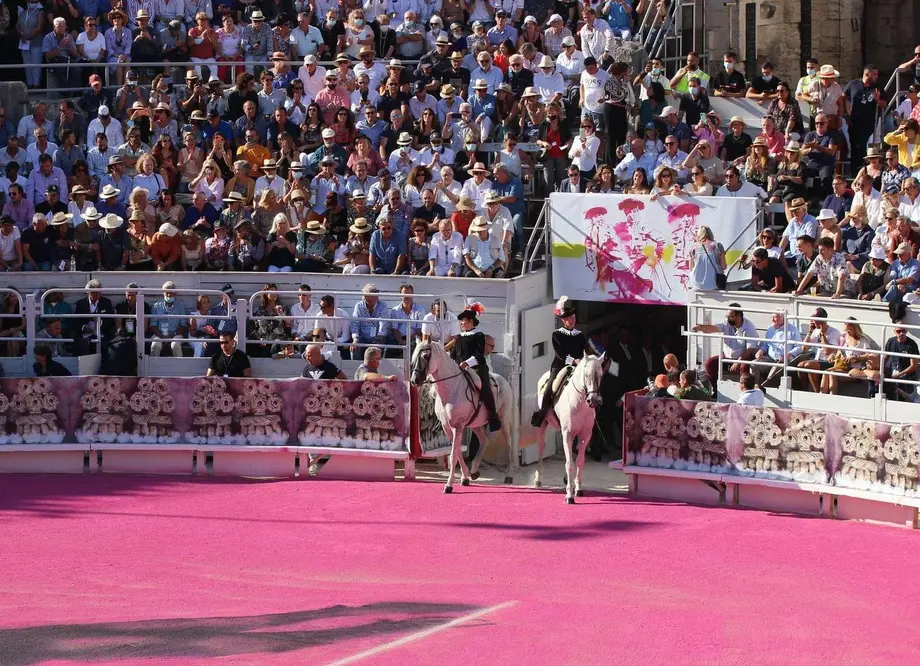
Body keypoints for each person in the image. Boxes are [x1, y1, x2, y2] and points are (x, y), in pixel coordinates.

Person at [530, 296, 592, 427]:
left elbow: (585, 350)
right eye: (569, 318)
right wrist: (574, 361)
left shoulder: (580, 335)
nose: (572, 320)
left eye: (573, 317)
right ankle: (542, 412)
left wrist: (585, 360)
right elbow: (560, 354)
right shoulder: (557, 334)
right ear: (563, 320)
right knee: (551, 385)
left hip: (579, 365)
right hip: (560, 365)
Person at [450, 302, 500, 432]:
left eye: (463, 321)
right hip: (460, 369)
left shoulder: (479, 335)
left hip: (477, 368)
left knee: (484, 387)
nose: (461, 323)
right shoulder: (459, 337)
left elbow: (479, 355)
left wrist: (467, 363)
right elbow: (454, 354)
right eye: (461, 321)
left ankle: (492, 417)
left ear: (471, 321)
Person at [691, 303, 759, 393]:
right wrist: (700, 328)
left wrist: (738, 361)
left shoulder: (749, 328)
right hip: (727, 357)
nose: (728, 319)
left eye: (731, 317)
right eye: (727, 316)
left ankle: (745, 392)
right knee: (709, 364)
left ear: (738, 316)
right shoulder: (727, 322)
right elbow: (714, 328)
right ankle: (716, 391)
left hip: (743, 358)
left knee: (744, 367)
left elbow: (750, 350)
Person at [150, 280, 188, 357]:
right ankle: (154, 364)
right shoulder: (156, 306)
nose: (169, 295)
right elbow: (153, 325)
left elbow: (183, 324)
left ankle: (179, 364)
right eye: (166, 292)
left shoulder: (180, 305)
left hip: (176, 334)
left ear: (175, 293)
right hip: (159, 334)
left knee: (175, 345)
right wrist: (162, 336)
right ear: (163, 293)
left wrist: (172, 334)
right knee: (155, 345)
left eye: (171, 293)